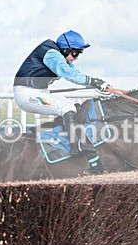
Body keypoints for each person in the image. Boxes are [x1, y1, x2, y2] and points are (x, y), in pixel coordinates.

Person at [13, 30, 111, 158]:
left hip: (37, 91)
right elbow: (69, 75)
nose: (76, 57)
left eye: (79, 53)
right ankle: (75, 146)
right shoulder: (52, 54)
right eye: (75, 53)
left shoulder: (60, 56)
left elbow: (76, 75)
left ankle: (65, 139)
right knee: (66, 108)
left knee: (72, 106)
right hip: (26, 93)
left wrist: (97, 84)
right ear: (65, 49)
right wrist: (93, 82)